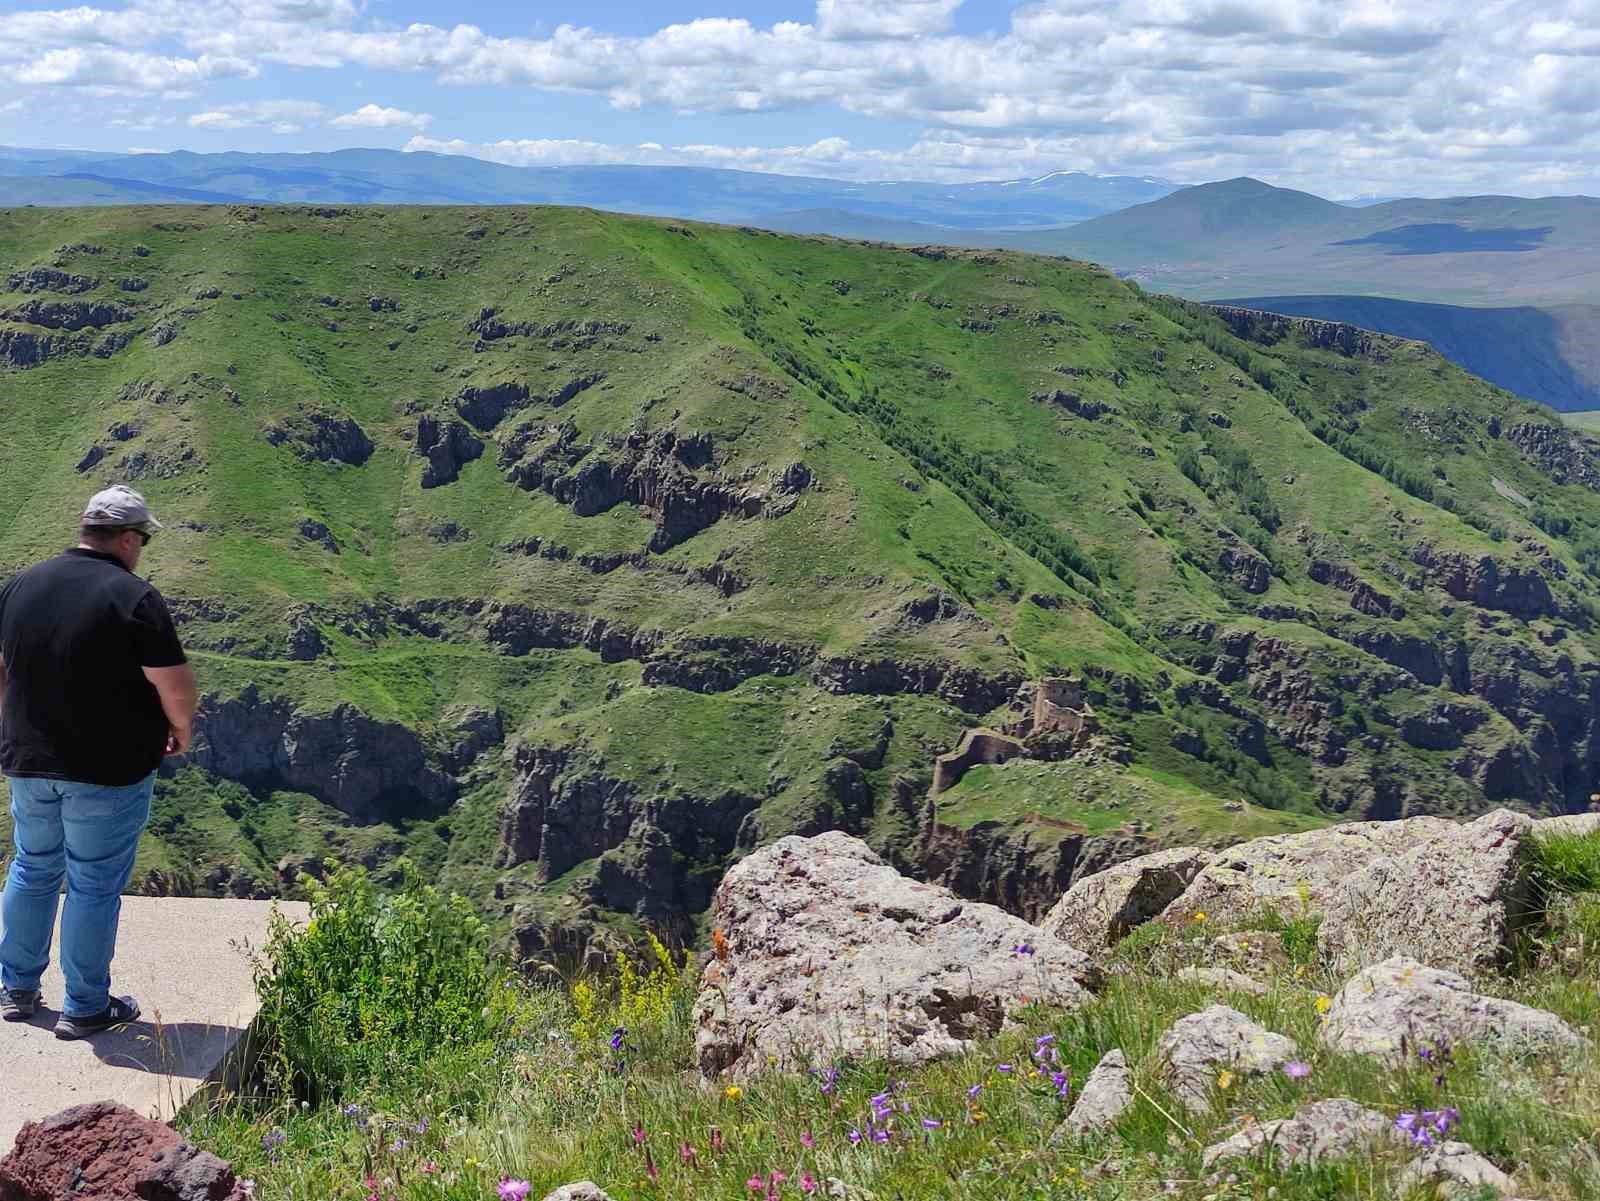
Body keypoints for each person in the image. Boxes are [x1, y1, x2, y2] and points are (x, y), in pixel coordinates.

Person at [0, 485, 197, 1039]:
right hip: (107, 769)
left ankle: (16, 988)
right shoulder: (134, 598)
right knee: (92, 884)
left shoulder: (22, 585)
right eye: (144, 540)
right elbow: (176, 686)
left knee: (32, 867)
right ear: (128, 538)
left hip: (29, 761)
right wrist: (180, 730)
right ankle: (85, 1005)